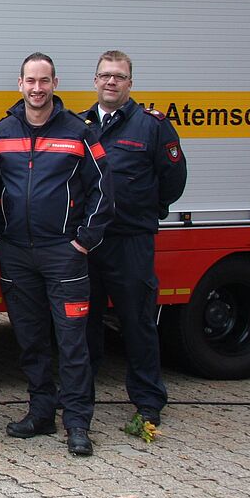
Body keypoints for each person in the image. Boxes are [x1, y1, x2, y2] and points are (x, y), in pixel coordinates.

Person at [0, 52, 112, 456]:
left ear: (54, 83)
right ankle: (40, 414)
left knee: (72, 341)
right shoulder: (3, 131)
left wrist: (83, 240)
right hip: (18, 255)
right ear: (19, 84)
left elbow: (103, 190)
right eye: (30, 81)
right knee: (31, 339)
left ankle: (77, 422)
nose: (37, 88)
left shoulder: (79, 131)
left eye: (44, 80)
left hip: (64, 254)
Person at [80, 50, 187, 431]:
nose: (111, 82)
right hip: (89, 243)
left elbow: (173, 181)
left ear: (130, 83)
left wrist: (145, 211)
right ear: (95, 81)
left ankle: (147, 402)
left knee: (137, 323)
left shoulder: (152, 126)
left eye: (119, 76)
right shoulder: (81, 124)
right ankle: (79, 399)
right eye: (105, 75)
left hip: (130, 243)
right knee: (85, 323)